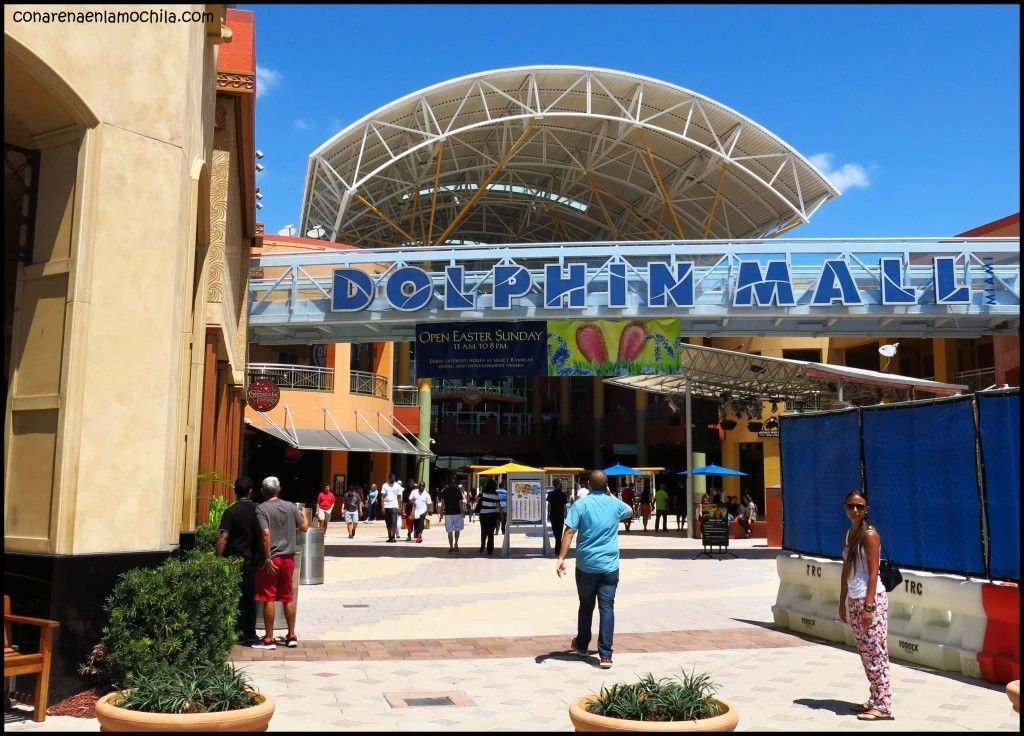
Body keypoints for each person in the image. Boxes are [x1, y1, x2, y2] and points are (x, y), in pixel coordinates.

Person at [556, 470, 633, 670]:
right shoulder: (614, 504)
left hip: (586, 565)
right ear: (606, 486)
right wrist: (610, 493)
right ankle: (605, 655)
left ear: (588, 485)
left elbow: (569, 531)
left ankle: (582, 644)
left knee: (586, 605)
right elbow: (629, 510)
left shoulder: (580, 505)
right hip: (609, 566)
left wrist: (561, 558)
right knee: (607, 608)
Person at [839, 490, 893, 721]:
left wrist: (869, 606)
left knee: (877, 652)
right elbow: (846, 570)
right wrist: (842, 601)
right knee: (866, 654)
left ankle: (883, 705)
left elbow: (873, 573)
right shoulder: (849, 534)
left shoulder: (870, 535)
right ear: (846, 508)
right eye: (851, 506)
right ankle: (874, 698)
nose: (855, 510)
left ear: (866, 509)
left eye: (860, 506)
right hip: (854, 598)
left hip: (871, 600)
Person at [253, 476, 308, 649]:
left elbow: (266, 534)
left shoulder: (261, 509)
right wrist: (304, 515)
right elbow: (304, 528)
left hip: (272, 559)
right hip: (288, 558)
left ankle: (269, 639)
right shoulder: (291, 506)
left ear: (262, 491)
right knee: (287, 596)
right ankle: (291, 635)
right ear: (279, 490)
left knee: (268, 597)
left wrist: (268, 558)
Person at [215, 476, 264, 646]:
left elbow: (223, 537)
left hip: (233, 560)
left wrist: (218, 558)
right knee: (249, 597)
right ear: (251, 491)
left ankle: (232, 631)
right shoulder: (258, 511)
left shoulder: (231, 511)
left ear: (235, 491)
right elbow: (264, 535)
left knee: (233, 596)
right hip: (252, 561)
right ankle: (250, 634)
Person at [477, 478, 503, 555]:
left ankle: (482, 545)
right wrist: (501, 514)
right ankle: (490, 549)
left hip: (483, 514)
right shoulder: (495, 494)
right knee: (491, 532)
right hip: (492, 514)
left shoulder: (482, 493)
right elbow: (498, 506)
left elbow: (476, 500)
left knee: (483, 531)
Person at [438, 480, 466, 552]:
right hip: (457, 513)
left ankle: (451, 547)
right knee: (457, 529)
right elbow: (460, 503)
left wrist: (441, 513)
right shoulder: (457, 491)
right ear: (455, 484)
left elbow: (443, 504)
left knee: (449, 531)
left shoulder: (445, 491)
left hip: (448, 513)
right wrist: (462, 512)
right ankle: (456, 543)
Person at [547, 478, 568, 551]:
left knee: (555, 531)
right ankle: (558, 547)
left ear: (553, 485)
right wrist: (566, 514)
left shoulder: (550, 494)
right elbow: (565, 506)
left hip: (553, 514)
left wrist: (548, 514)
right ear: (559, 485)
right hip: (560, 515)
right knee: (560, 531)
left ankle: (558, 547)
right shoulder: (563, 494)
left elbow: (549, 505)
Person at [380, 473, 402, 543]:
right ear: (389, 478)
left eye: (394, 477)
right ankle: (389, 536)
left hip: (394, 506)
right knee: (388, 523)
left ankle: (393, 537)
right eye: (392, 477)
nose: (393, 479)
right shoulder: (385, 485)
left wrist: (399, 507)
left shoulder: (397, 486)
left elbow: (399, 497)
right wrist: (383, 508)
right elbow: (382, 497)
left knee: (394, 522)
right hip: (387, 506)